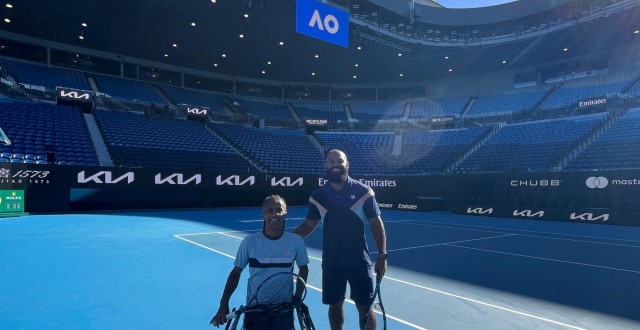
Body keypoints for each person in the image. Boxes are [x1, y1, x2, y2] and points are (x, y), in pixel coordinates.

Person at [293, 149, 387, 330]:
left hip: (359, 261)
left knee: (365, 308)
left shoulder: (364, 192)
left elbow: (376, 223)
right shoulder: (318, 196)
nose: (336, 164)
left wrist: (382, 255)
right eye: (331, 161)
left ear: (347, 164)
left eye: (340, 160)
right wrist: (285, 240)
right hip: (332, 262)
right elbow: (307, 226)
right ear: (326, 166)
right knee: (335, 305)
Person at [211, 195, 310, 329]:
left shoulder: (296, 241)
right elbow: (236, 273)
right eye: (269, 210)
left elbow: (303, 269)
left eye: (278, 210)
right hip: (255, 309)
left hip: (284, 309)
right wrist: (223, 304)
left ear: (285, 214)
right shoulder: (249, 242)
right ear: (263, 215)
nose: (274, 214)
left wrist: (297, 298)